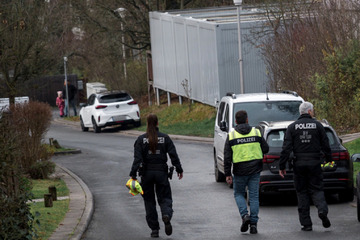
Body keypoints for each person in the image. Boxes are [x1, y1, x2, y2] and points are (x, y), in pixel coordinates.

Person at [279, 101, 332, 231]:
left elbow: (286, 148)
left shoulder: (292, 127)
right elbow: (326, 145)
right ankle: (322, 211)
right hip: (315, 163)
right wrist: (329, 160)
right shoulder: (318, 125)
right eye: (312, 111)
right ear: (309, 111)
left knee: (302, 192)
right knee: (317, 189)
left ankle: (306, 224)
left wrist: (282, 166)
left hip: (299, 164)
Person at [129, 113, 184, 238]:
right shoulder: (165, 138)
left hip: (146, 174)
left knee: (149, 202)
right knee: (165, 197)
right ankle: (166, 215)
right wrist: (179, 169)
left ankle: (154, 229)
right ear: (157, 123)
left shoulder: (140, 139)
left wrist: (133, 175)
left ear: (147, 124)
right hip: (161, 173)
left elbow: (137, 159)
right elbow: (173, 155)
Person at [224, 110, 269, 234]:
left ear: (236, 121)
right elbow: (266, 148)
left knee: (238, 194)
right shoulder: (256, 132)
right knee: (254, 196)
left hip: (239, 171)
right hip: (255, 170)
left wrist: (228, 174)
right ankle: (253, 225)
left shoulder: (232, 136)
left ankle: (245, 216)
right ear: (247, 119)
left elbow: (227, 156)